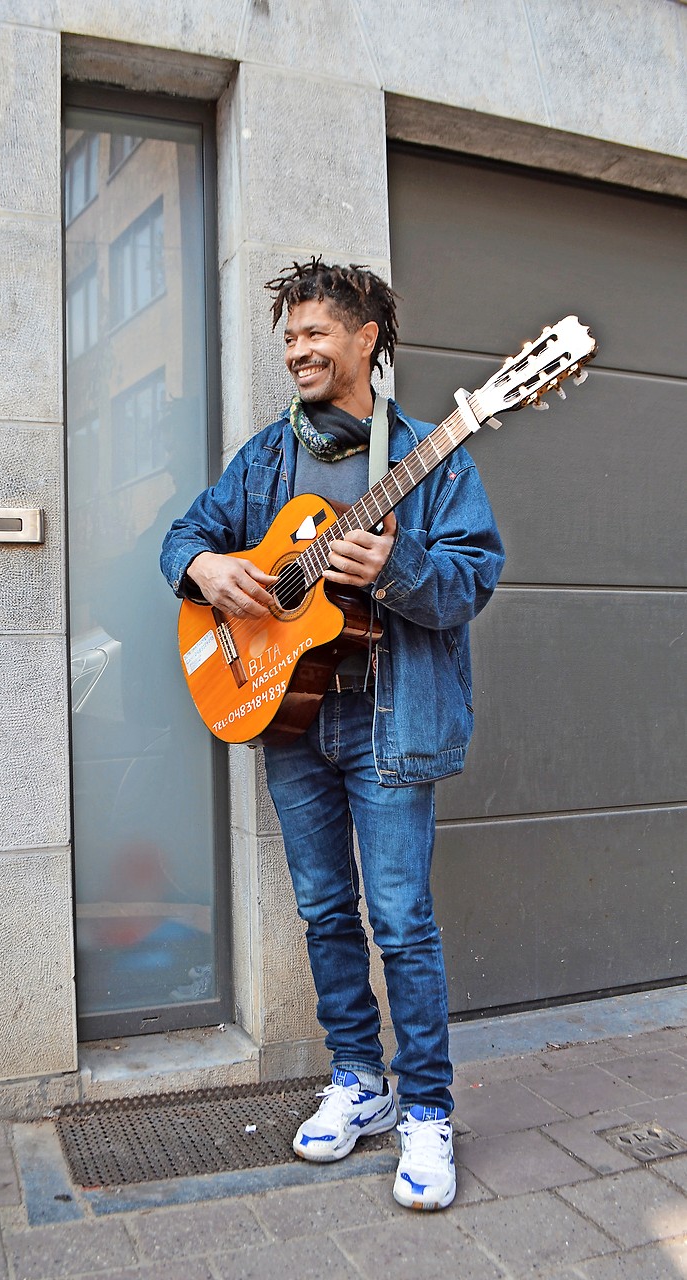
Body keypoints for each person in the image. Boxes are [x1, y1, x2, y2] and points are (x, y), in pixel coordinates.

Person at [160, 259, 504, 1210]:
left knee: (399, 921)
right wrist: (206, 570)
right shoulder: (267, 456)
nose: (298, 351)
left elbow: (472, 582)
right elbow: (183, 533)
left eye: (315, 333)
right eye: (289, 337)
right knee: (323, 914)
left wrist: (396, 567)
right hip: (287, 719)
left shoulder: (434, 455)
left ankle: (426, 1111)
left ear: (366, 339)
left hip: (389, 722)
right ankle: (360, 1081)